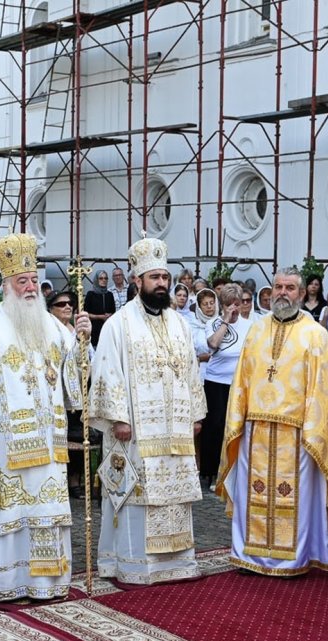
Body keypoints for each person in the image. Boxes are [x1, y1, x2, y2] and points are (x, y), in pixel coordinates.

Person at [0, 233, 91, 602]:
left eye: (34, 281)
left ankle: (47, 584)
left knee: (46, 509)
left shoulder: (52, 326)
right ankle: (4, 585)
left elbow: (74, 380)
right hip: (6, 443)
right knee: (8, 511)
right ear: (8, 285)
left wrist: (83, 342)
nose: (30, 287)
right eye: (22, 281)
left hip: (48, 443)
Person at [88, 236, 207, 585]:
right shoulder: (119, 324)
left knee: (175, 496)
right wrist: (118, 418)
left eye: (165, 278)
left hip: (175, 431)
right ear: (137, 280)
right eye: (154, 278)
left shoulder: (179, 324)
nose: (161, 284)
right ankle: (133, 565)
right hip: (137, 431)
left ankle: (177, 563)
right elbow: (107, 372)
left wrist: (197, 414)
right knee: (135, 496)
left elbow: (190, 370)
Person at [218, 266, 328, 575]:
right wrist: (236, 422)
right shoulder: (257, 330)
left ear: (301, 293)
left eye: (289, 287)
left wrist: (314, 432)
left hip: (296, 433)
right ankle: (249, 555)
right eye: (278, 287)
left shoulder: (315, 334)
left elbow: (324, 388)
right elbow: (241, 381)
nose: (282, 292)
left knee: (293, 497)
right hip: (255, 429)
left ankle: (291, 559)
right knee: (252, 493)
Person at [196, 283, 253, 490]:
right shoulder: (213, 323)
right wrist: (226, 322)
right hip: (216, 381)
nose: (234, 308)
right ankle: (210, 472)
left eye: (237, 304)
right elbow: (212, 345)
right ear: (223, 305)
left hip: (239, 382)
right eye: (229, 304)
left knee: (237, 425)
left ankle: (233, 470)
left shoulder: (249, 325)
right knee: (215, 426)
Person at [49, 290, 91, 498]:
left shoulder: (76, 328)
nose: (67, 307)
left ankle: (76, 480)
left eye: (70, 303)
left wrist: (86, 340)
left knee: (80, 438)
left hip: (79, 391)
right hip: (59, 393)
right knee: (64, 439)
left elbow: (88, 356)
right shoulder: (49, 330)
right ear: (51, 309)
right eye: (61, 304)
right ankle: (61, 480)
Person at [84, 269, 117, 346]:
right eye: (101, 278)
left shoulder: (109, 294)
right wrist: (100, 317)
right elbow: (86, 314)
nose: (103, 280)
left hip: (107, 329)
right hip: (94, 330)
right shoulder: (90, 294)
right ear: (96, 280)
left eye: (105, 278)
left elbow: (113, 311)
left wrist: (109, 315)